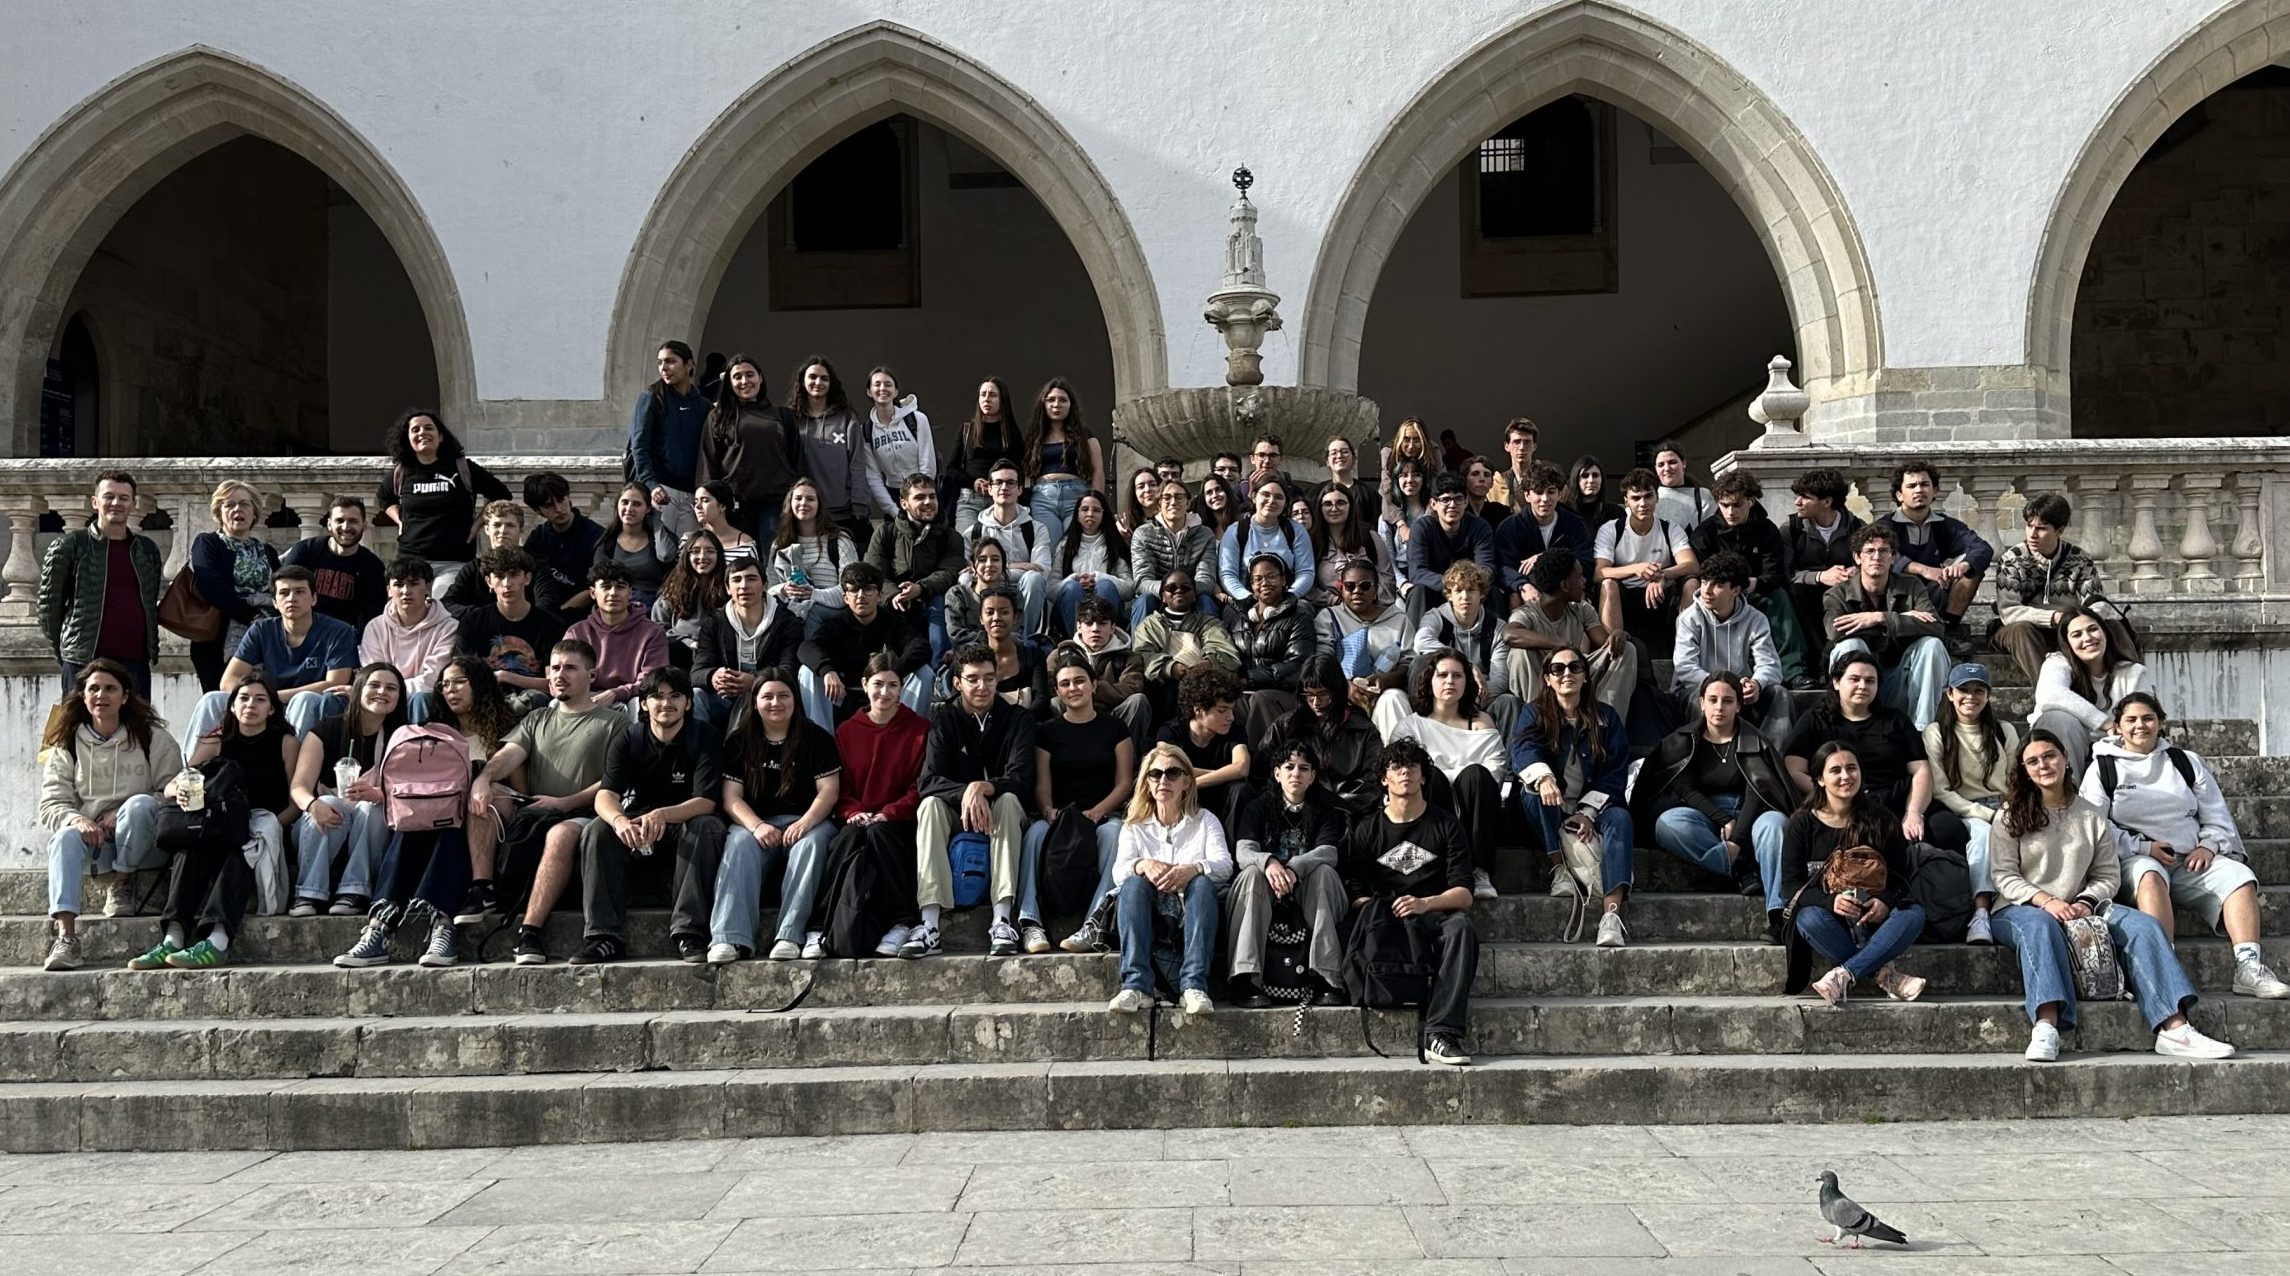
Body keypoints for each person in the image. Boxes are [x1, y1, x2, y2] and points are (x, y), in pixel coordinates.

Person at [1990, 729, 2234, 1061]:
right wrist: (2047, 901)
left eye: (2049, 756)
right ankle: (2046, 1025)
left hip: (2083, 905)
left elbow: (2107, 874)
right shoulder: (2009, 815)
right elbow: (2004, 876)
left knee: (2144, 926)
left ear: (2065, 758)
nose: (2043, 765)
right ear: (2024, 769)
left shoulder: (2091, 814)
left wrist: (2085, 901)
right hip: (2020, 908)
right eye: (2032, 761)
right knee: (2041, 927)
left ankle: (2175, 1028)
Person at [2082, 691, 2290, 999]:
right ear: (2119, 726)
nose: (2140, 726)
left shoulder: (2185, 762)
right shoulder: (2103, 768)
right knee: (2150, 876)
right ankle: (2165, 970)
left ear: (2160, 723)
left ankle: (2248, 967)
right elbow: (2095, 826)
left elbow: (2217, 814)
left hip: (2190, 859)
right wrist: (2143, 848)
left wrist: (2208, 846)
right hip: (2135, 858)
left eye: (2148, 718)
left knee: (2240, 877)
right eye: (2131, 720)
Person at [471, 640, 624, 964]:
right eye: (555, 668)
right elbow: (507, 756)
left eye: (570, 668)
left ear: (591, 675)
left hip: (584, 813)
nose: (560, 675)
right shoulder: (537, 718)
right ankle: (482, 889)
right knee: (488, 795)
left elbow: (614, 780)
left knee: (561, 834)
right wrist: (483, 780)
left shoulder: (615, 722)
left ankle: (529, 933)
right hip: (536, 807)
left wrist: (564, 803)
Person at [131, 676, 296, 971]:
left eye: (260, 699)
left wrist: (272, 826)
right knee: (189, 850)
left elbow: (296, 800)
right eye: (243, 698)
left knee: (243, 849)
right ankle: (173, 937)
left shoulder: (286, 742)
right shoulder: (216, 741)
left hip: (264, 825)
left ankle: (217, 941)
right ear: (232, 706)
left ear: (272, 709)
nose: (251, 705)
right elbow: (176, 783)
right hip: (221, 823)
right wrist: (179, 791)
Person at [572, 667, 728, 964]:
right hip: (640, 822)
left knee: (707, 826)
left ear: (688, 703)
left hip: (685, 820)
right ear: (643, 703)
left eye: (675, 696)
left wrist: (663, 814)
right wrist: (619, 820)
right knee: (597, 829)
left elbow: (706, 802)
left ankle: (689, 932)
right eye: (657, 696)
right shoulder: (629, 738)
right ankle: (603, 938)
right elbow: (606, 795)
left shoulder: (704, 736)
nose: (666, 703)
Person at [1337, 737, 1478, 1066]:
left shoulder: (1446, 825)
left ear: (1423, 776)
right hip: (1385, 917)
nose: (1406, 772)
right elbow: (1355, 890)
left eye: (1413, 766)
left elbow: (1464, 893)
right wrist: (1380, 909)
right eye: (1396, 767)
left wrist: (1425, 903)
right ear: (1383, 778)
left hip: (1433, 914)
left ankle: (1441, 1033)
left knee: (1462, 929)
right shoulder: (1367, 829)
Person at [39, 660, 179, 970]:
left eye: (110, 689)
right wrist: (78, 820)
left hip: (146, 846)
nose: (101, 695)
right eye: (94, 689)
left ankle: (122, 884)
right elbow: (51, 804)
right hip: (96, 847)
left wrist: (122, 811)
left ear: (125, 696)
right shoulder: (66, 742)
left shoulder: (152, 737)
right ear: (83, 695)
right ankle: (66, 938)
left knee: (140, 806)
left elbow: (173, 792)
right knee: (63, 838)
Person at [906, 645, 1036, 958]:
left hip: (1003, 814)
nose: (982, 686)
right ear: (957, 683)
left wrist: (985, 787)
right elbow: (928, 781)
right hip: (958, 814)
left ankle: (1002, 919)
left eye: (989, 678)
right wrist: (967, 792)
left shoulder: (1018, 718)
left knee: (1008, 800)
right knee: (929, 806)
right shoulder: (944, 719)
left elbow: (1022, 778)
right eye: (973, 679)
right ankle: (930, 924)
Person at [1780, 742, 1930, 1005]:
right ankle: (1884, 976)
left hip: (1873, 919)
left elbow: (1901, 877)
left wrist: (1885, 901)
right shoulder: (1801, 824)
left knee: (1914, 914)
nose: (1845, 776)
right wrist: (1831, 902)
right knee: (1808, 919)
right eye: (1835, 770)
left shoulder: (1881, 819)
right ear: (1820, 779)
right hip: (1830, 919)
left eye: (1851, 768)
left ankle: (1846, 973)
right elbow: (1791, 886)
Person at [1783, 650, 1966, 853]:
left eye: (1870, 681)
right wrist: (1834, 796)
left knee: (1948, 829)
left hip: (1896, 801)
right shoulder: (1815, 721)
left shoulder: (1895, 720)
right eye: (1854, 679)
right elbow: (1794, 769)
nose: (1863, 686)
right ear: (1836, 682)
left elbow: (1921, 770)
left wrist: (1914, 812)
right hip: (1838, 804)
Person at [716, 669, 841, 961]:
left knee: (810, 845)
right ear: (755, 701)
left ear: (795, 699)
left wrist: (805, 823)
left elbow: (829, 791)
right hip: (756, 823)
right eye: (768, 696)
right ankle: (730, 938)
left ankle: (789, 935)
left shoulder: (817, 738)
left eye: (784, 695)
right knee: (738, 844)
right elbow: (731, 798)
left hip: (808, 821)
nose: (776, 703)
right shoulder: (739, 741)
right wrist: (757, 826)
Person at [1512, 644, 1634, 944]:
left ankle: (1611, 917)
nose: (1567, 673)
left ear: (1585, 676)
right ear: (1547, 679)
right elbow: (1522, 749)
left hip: (1591, 807)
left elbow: (1615, 772)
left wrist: (1587, 812)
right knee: (1533, 793)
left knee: (1620, 817)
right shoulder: (1534, 713)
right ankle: (1559, 869)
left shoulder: (1606, 717)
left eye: (1575, 667)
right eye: (1558, 669)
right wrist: (1544, 778)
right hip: (1547, 808)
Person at [1636, 672, 1791, 907]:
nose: (1719, 707)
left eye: (1728, 701)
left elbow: (1758, 792)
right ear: (1701, 703)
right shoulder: (1684, 740)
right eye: (1713, 700)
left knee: (1775, 824)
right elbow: (1686, 790)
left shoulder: (1755, 740)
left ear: (1738, 705)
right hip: (1705, 817)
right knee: (1669, 823)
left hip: (1752, 816)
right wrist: (1724, 820)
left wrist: (1736, 839)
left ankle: (1779, 911)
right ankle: (1738, 867)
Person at [1370, 647, 1510, 899]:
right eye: (1442, 675)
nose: (1449, 681)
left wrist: (1460, 780)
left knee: (1476, 776)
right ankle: (1437, 868)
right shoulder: (1410, 726)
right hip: (1433, 804)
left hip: (1474, 806)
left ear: (1467, 682)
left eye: (1457, 676)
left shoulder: (1481, 722)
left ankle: (1478, 870)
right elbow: (1402, 772)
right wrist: (1451, 778)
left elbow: (1496, 770)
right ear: (1429, 680)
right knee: (1430, 776)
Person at [1022, 646, 1135, 954]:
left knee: (1116, 833)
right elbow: (1042, 785)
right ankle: (1030, 921)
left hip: (1103, 814)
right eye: (1065, 683)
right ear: (1057, 691)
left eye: (1080, 680)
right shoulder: (1047, 732)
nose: (1073, 688)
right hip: (1060, 816)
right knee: (1034, 833)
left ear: (1094, 685)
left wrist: (1097, 812)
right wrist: (1048, 810)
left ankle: (1094, 922)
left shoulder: (1115, 728)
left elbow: (1124, 783)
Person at [1105, 742, 1229, 1016]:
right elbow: (1118, 873)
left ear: (1186, 782)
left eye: (1173, 773)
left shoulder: (1205, 820)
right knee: (1132, 883)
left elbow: (1225, 866)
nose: (1163, 780)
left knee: (1202, 883)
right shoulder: (1134, 826)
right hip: (1150, 914)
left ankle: (1194, 986)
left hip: (1193, 911)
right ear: (1147, 783)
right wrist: (1142, 864)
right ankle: (1136, 986)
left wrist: (1193, 869)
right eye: (1155, 774)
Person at [182, 566, 358, 743]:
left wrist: (272, 697)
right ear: (274, 602)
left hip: (314, 705)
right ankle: (194, 761)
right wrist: (257, 698)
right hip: (269, 702)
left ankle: (295, 760)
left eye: (299, 592)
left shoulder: (339, 631)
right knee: (212, 700)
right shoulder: (262, 629)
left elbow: (335, 683)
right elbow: (229, 681)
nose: (291, 598)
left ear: (314, 598)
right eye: (284, 593)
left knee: (304, 700)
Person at [285, 661, 406, 917]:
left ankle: (356, 890)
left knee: (373, 808)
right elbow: (299, 786)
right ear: (358, 689)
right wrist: (312, 805)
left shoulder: (402, 736)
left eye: (391, 688)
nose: (382, 692)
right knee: (331, 803)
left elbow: (409, 790)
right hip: (321, 827)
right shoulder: (327, 729)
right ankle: (308, 892)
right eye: (374, 685)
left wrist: (379, 794)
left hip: (370, 829)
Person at [833, 652, 931, 955]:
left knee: (879, 835)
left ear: (902, 688)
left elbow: (920, 786)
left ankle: (901, 922)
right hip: (858, 819)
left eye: (892, 685)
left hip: (900, 822)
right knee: (848, 838)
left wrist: (889, 813)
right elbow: (840, 787)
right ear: (864, 685)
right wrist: (853, 812)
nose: (884, 692)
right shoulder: (847, 731)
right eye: (878, 684)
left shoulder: (920, 729)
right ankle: (824, 924)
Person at [39, 469, 162, 698]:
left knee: (137, 721)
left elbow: (149, 603)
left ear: (134, 504)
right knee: (79, 721)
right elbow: (48, 609)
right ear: (95, 502)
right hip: (84, 661)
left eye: (124, 498)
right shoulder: (70, 546)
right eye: (109, 496)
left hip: (135, 661)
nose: (116, 503)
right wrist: (67, 650)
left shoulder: (147, 550)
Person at [1688, 472, 1814, 684]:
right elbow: (1703, 572)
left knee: (1780, 598)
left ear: (1751, 500)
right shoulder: (1705, 532)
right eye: (1724, 505)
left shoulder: (1767, 530)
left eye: (1737, 505)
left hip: (1757, 591)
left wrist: (1757, 583)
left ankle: (1794, 671)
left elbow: (1775, 572)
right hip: (1719, 595)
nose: (1730, 511)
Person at [1924, 662, 2017, 945]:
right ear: (1950, 694)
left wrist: (2010, 808)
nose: (1971, 697)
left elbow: (2016, 779)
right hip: (1964, 809)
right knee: (1982, 835)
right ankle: (1980, 914)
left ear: (1988, 695)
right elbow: (1941, 790)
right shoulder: (1936, 732)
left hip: (2004, 805)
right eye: (1963, 689)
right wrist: (1986, 815)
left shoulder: (2004, 731)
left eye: (1979, 690)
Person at [1822, 523, 1949, 729]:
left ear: (1893, 557)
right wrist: (1903, 619)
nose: (1876, 557)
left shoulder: (1911, 585)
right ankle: (1850, 723)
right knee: (1849, 645)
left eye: (1883, 551)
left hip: (1903, 676)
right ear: (1857, 557)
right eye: (1869, 551)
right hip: (1862, 680)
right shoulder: (1837, 594)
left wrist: (1879, 618)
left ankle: (1922, 730)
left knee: (1932, 646)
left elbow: (1936, 627)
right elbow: (1835, 632)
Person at [378, 408, 510, 596]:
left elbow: (500, 493)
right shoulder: (402, 472)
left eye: (428, 428)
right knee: (408, 608)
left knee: (443, 604)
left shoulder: (462, 467)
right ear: (407, 439)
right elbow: (384, 497)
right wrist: (400, 520)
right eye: (415, 430)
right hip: (411, 560)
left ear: (440, 436)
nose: (422, 433)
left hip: (454, 561)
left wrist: (477, 525)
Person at [429, 658, 521, 923]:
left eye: (459, 682)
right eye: (445, 684)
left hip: (497, 808)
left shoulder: (507, 728)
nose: (451, 690)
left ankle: (483, 888)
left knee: (484, 795)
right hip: (447, 811)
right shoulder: (436, 733)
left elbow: (521, 790)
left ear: (480, 684)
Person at [1501, 550, 1635, 725]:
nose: (1584, 581)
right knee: (1519, 653)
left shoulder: (1581, 609)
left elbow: (1605, 644)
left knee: (1626, 650)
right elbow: (1509, 635)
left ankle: (1602, 723)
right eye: (1579, 577)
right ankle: (1544, 720)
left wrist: (1618, 635)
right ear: (1565, 585)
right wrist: (1560, 646)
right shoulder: (1527, 613)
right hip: (1544, 681)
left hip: (1576, 673)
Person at [1993, 491, 2115, 679]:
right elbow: (2009, 611)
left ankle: (2129, 686)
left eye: (2041, 528)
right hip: (2026, 630)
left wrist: (2078, 622)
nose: (2032, 534)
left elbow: (2098, 603)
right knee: (2022, 630)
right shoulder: (2012, 559)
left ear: (2059, 531)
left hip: (2069, 628)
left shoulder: (2080, 559)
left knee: (2114, 627)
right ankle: (2045, 690)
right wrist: (2054, 617)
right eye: (2029, 526)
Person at [796, 561, 933, 729]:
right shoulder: (835, 625)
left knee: (924, 673)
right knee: (807, 672)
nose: (860, 596)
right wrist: (827, 670)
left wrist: (894, 673)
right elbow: (806, 648)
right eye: (854, 590)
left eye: (868, 589)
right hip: (844, 694)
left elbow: (920, 646)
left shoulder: (893, 622)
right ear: (845, 597)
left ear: (880, 595)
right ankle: (822, 737)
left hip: (884, 691)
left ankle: (907, 734)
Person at [1672, 550, 1789, 738]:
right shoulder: (1689, 618)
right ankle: (1702, 752)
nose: (1707, 591)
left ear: (1736, 590)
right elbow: (1685, 667)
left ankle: (1771, 754)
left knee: (1779, 694)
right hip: (1697, 688)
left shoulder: (1756, 620)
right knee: (1702, 698)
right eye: (1704, 582)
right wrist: (1722, 686)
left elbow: (1770, 665)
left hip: (1739, 693)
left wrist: (1756, 684)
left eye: (1718, 585)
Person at [2030, 605, 2152, 777]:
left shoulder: (2133, 672)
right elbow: (2050, 696)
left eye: (2093, 629)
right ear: (2067, 643)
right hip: (2065, 744)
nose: (2087, 638)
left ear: (2105, 633)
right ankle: (2069, 791)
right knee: (2057, 718)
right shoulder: (2057, 663)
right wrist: (2104, 722)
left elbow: (2144, 715)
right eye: (2076, 635)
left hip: (2117, 748)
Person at [1258, 655, 1385, 818]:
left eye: (1322, 694)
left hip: (1347, 814)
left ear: (1337, 691)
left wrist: (1335, 808)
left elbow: (1371, 784)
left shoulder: (1363, 730)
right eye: (1309, 695)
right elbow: (1261, 773)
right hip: (1293, 811)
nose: (1315, 702)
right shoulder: (1285, 726)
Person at [1593, 466, 1698, 659]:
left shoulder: (1670, 528)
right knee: (1608, 585)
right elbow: (1599, 572)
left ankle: (1688, 650)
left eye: (1648, 496)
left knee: (1691, 583)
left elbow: (1691, 564)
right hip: (1626, 597)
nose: (1643, 503)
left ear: (1657, 497)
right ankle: (1613, 655)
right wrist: (1637, 569)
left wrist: (1661, 575)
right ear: (1626, 501)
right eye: (1636, 498)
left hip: (1661, 597)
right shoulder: (1611, 529)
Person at [695, 352, 799, 542]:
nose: (744, 381)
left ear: (760, 377)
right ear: (729, 383)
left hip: (776, 503)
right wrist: (707, 503)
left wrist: (798, 496)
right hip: (734, 504)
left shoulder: (784, 415)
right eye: (737, 376)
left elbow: (797, 459)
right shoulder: (717, 416)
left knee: (774, 558)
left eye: (750, 375)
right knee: (738, 559)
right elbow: (708, 461)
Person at [186, 479, 278, 693]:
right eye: (229, 505)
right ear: (219, 512)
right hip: (218, 637)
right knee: (223, 701)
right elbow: (210, 585)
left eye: (244, 504)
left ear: (254, 512)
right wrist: (250, 615)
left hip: (265, 635)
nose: (238, 509)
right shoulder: (208, 543)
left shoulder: (268, 552)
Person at [452, 549, 567, 716]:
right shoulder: (472, 622)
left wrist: (505, 676)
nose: (507, 583)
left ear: (527, 578)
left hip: (533, 705)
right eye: (499, 576)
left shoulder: (552, 625)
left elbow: (553, 684)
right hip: (485, 699)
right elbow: (462, 674)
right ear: (489, 581)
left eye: (514, 575)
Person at [693, 552, 803, 725]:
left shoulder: (786, 622)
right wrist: (713, 676)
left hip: (767, 697)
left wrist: (755, 681)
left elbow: (788, 670)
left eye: (751, 579)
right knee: (696, 695)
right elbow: (697, 673)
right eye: (736, 580)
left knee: (748, 700)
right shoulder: (714, 622)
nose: (744, 586)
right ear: (728, 588)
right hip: (724, 696)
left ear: (765, 585)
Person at [1886, 459, 1993, 636]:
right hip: (1898, 596)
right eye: (1911, 486)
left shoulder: (1945, 525)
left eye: (1924, 484)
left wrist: (1962, 566)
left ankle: (1949, 628)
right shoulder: (1886, 526)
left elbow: (1982, 548)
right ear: (1899, 495)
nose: (1919, 490)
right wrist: (1923, 570)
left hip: (1936, 592)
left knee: (1973, 569)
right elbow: (1875, 555)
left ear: (1934, 491)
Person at [1781, 467, 1865, 689]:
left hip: (1844, 592)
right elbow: (1784, 573)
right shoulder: (1792, 528)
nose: (1797, 502)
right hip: (1805, 594)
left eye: (1805, 497)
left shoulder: (1856, 527)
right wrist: (1819, 576)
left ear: (1827, 501)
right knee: (1794, 594)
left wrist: (1855, 572)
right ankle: (1810, 667)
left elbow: (1873, 561)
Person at [865, 473, 963, 657]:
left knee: (939, 604)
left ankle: (938, 668)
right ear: (904, 504)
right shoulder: (885, 533)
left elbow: (949, 572)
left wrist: (920, 588)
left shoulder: (951, 536)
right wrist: (894, 595)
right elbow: (875, 573)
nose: (928, 502)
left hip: (932, 598)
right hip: (895, 601)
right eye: (919, 497)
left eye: (932, 496)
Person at [629, 340, 712, 543]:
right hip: (662, 491)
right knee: (663, 553)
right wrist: (651, 485)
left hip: (693, 494)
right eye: (660, 363)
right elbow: (639, 446)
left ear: (689, 364)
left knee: (688, 552)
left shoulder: (704, 406)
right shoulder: (652, 397)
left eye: (671, 361)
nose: (664, 368)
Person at [1156, 664, 1253, 836]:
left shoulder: (1235, 731)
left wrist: (1192, 783)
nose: (1230, 717)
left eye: (1231, 710)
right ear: (1199, 710)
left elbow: (1241, 768)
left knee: (1240, 789)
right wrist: (1224, 774)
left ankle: (1233, 848)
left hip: (1220, 800)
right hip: (1184, 800)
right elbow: (1169, 769)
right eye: (1222, 711)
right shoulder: (1170, 731)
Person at [1134, 569, 1242, 722]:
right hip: (1162, 689)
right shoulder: (1148, 625)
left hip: (1203, 685)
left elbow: (1227, 653)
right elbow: (1142, 656)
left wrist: (1208, 663)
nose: (1179, 591)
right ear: (1163, 596)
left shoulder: (1210, 623)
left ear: (1194, 595)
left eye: (1185, 588)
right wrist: (1171, 668)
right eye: (1171, 588)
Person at [1412, 561, 1513, 720]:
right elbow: (1421, 642)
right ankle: (1419, 722)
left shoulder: (1497, 628)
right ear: (1449, 595)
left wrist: (1468, 701)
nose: (1465, 597)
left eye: (1471, 590)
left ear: (1481, 594)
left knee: (1508, 701)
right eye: (1458, 590)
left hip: (1479, 699)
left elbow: (1500, 680)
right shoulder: (1436, 617)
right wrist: (1466, 664)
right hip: (1441, 698)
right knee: (1418, 662)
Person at [565, 560, 670, 710]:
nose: (613, 593)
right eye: (606, 587)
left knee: (639, 704)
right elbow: (565, 675)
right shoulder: (576, 632)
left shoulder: (652, 632)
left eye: (620, 587)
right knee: (557, 703)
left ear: (630, 593)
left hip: (631, 699)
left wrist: (616, 694)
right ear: (593, 593)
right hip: (587, 697)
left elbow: (653, 679)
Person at [276, 495, 386, 633]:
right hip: (300, 633)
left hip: (343, 638)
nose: (346, 527)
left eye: (353, 521)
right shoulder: (306, 551)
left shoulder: (372, 566)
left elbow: (372, 617)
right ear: (329, 524)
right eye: (339, 520)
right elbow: (284, 593)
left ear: (364, 525)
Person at [1491, 461, 1592, 608]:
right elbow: (1504, 567)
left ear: (1559, 494)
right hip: (1529, 587)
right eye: (1538, 492)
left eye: (1551, 492)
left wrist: (1545, 558)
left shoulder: (1574, 523)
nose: (1545, 499)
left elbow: (1585, 561)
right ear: (1527, 495)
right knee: (1514, 597)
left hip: (1566, 586)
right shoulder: (1510, 527)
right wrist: (1523, 585)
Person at [360, 556, 458, 705]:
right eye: (399, 585)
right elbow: (373, 676)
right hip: (382, 700)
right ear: (389, 590)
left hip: (426, 701)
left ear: (428, 588)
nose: (406, 591)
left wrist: (392, 690)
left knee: (421, 698)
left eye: (414, 584)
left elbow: (433, 678)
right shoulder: (375, 627)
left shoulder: (448, 627)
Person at [788, 355, 871, 531]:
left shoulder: (846, 418)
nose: (818, 382)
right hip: (805, 512)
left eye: (824, 378)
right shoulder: (791, 420)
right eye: (812, 377)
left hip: (843, 512)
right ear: (802, 381)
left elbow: (857, 463)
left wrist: (860, 504)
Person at [970, 458, 1052, 635]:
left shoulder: (1036, 529)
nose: (1004, 487)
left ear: (1020, 489)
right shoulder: (975, 531)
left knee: (1034, 580)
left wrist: (993, 570)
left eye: (1010, 483)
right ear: (990, 489)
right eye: (998, 482)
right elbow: (969, 573)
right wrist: (1018, 566)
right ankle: (981, 637)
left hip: (1022, 590)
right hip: (987, 589)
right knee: (964, 581)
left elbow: (1042, 570)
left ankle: (1025, 639)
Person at [768, 477, 862, 630]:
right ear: (790, 503)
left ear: (820, 505)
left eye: (810, 499)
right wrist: (783, 590)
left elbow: (851, 590)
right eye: (798, 498)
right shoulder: (779, 545)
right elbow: (769, 590)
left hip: (830, 618)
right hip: (791, 617)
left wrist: (813, 594)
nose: (803, 503)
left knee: (814, 612)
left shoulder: (840, 541)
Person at [1061, 596, 1153, 754]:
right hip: (1075, 714)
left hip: (1114, 717)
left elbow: (1132, 689)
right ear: (1078, 627)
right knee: (1056, 702)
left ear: (1113, 627)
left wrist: (1091, 688)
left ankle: (1129, 759)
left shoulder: (1129, 657)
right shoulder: (1063, 653)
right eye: (1089, 623)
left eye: (1102, 623)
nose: (1095, 629)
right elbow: (1051, 685)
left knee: (1138, 701)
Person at [1318, 556, 1411, 708]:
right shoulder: (1328, 617)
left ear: (1376, 590)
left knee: (1393, 698)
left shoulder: (1399, 620)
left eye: (1365, 586)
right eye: (1350, 586)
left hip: (1386, 693)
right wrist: (1345, 686)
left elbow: (1409, 662)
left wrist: (1388, 680)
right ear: (1341, 589)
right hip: (1341, 691)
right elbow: (1323, 661)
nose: (1357, 591)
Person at [1404, 472, 1496, 626]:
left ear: (1466, 502)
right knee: (1418, 590)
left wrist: (1466, 586)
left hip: (1470, 591)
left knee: (1492, 591)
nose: (1452, 505)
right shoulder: (1422, 528)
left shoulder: (1480, 527)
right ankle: (1414, 639)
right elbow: (1417, 572)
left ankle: (1496, 637)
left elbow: (1486, 568)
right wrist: (1453, 585)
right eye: (1445, 500)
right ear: (1434, 504)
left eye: (1458, 499)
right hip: (1436, 590)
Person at [1023, 376, 1103, 546]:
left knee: (1074, 547)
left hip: (1076, 496)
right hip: (1043, 498)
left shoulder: (1085, 435)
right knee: (1048, 547)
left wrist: (1096, 502)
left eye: (1063, 400)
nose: (1056, 404)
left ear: (1071, 404)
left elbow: (1098, 471)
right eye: (1051, 400)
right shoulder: (1035, 436)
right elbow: (1028, 472)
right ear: (1043, 404)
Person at [1130, 479, 1218, 628]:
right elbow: (1142, 581)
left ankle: (1215, 642)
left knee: (1206, 601)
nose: (1173, 502)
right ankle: (1139, 644)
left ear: (1188, 502)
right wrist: (1169, 591)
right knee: (1144, 600)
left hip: (1192, 596)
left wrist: (1183, 591)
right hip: (1157, 596)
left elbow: (1206, 580)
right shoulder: (1143, 534)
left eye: (1179, 497)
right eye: (1166, 498)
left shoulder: (1204, 534)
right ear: (1159, 504)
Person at [520, 472, 606, 620]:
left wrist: (555, 616)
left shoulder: (596, 536)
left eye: (561, 500)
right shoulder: (537, 538)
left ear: (568, 497)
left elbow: (596, 587)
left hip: (582, 617)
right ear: (538, 511)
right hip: (542, 612)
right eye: (549, 506)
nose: (558, 509)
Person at [947, 375, 1024, 538]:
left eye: (993, 395)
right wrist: (973, 482)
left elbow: (1020, 469)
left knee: (999, 548)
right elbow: (951, 469)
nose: (987, 399)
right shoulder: (967, 430)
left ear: (1002, 400)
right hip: (970, 500)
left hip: (1001, 500)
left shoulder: (1011, 432)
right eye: (983, 394)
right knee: (966, 544)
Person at [1230, 554, 1317, 694]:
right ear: (1252, 585)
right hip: (1240, 690)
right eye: (1258, 579)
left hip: (1279, 693)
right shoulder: (1238, 618)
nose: (1264, 583)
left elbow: (1298, 666)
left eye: (1271, 577)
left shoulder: (1300, 617)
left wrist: (1248, 679)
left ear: (1283, 580)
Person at [1048, 489, 1132, 633]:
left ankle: (1105, 638)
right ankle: (1076, 641)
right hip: (1070, 612)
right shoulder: (1065, 546)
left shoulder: (1114, 544)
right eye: (1085, 509)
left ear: (1104, 514)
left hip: (1107, 608)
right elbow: (1050, 590)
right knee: (1072, 588)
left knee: (1105, 586)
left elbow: (1129, 589)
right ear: (1077, 514)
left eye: (1096, 510)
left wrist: (1100, 578)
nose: (1090, 514)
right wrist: (1073, 579)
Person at [859, 366, 936, 524]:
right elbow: (873, 476)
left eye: (888, 384)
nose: (882, 388)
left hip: (924, 494)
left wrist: (921, 497)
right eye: (877, 384)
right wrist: (893, 511)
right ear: (869, 391)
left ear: (896, 391)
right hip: (894, 497)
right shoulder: (866, 431)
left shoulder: (917, 419)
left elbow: (927, 461)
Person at [1307, 481, 1394, 608]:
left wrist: (1370, 601)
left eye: (1340, 503)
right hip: (1330, 609)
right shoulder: (1312, 542)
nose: (1334, 508)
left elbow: (1386, 576)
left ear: (1350, 506)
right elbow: (1309, 587)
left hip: (1372, 608)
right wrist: (1336, 601)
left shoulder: (1370, 537)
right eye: (1327, 504)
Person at [594, 482, 679, 613]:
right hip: (617, 608)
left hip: (654, 610)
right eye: (625, 502)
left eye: (636, 504)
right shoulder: (608, 543)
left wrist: (656, 518)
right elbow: (599, 580)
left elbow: (666, 555)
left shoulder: (657, 539)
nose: (629, 508)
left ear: (648, 508)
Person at [652, 528, 725, 668]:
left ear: (719, 556)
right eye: (695, 551)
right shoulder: (673, 590)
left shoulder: (728, 588)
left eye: (710, 551)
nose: (702, 557)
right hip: (680, 654)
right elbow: (659, 629)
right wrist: (689, 643)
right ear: (687, 556)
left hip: (717, 654)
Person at [441, 500, 530, 610]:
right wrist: (483, 616)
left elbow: (545, 603)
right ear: (487, 529)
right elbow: (448, 604)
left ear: (521, 530)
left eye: (510, 525)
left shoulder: (533, 565)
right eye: (497, 525)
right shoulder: (473, 568)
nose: (503, 531)